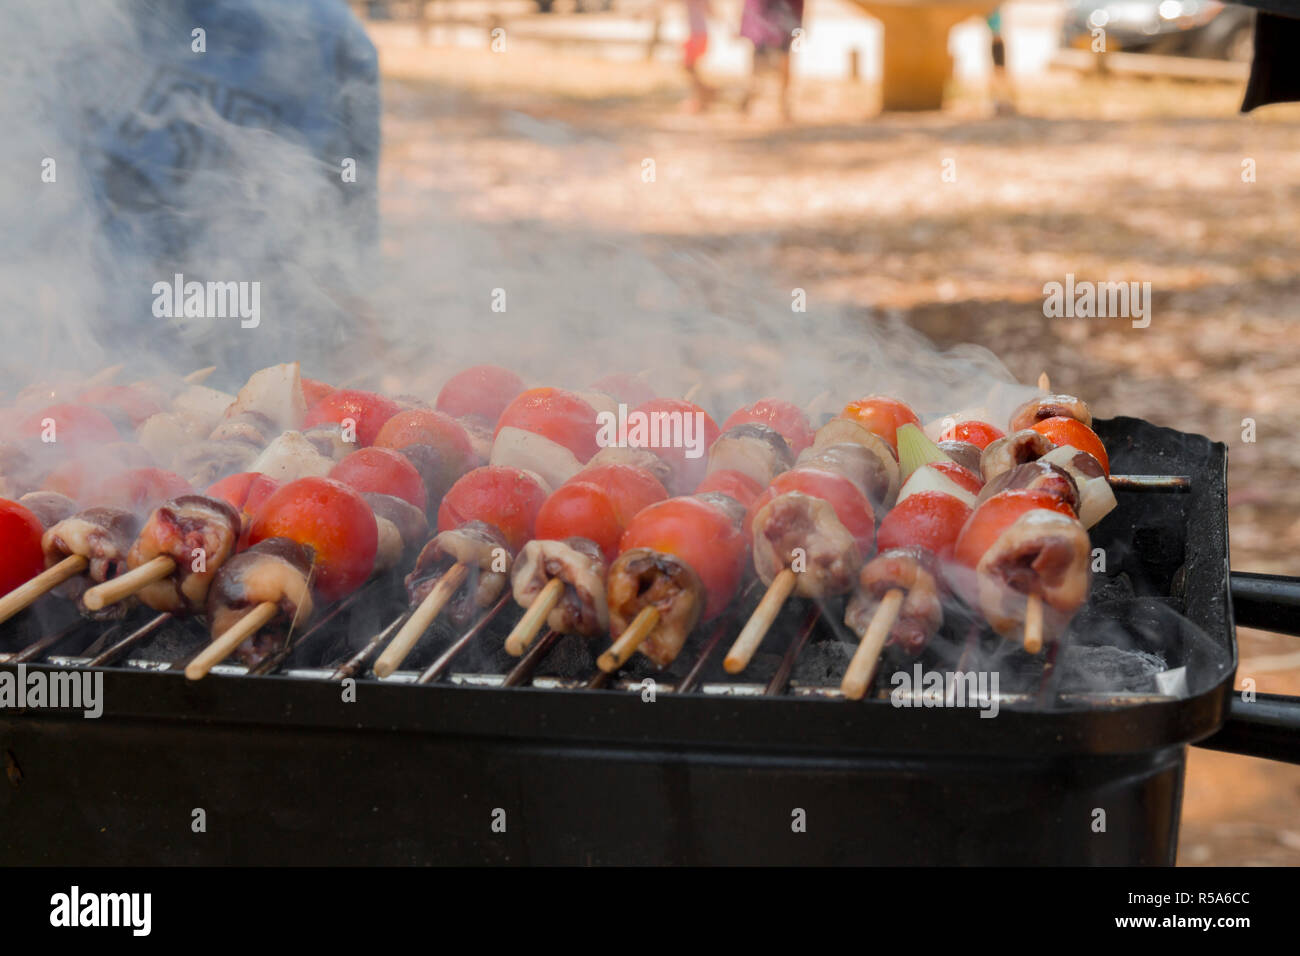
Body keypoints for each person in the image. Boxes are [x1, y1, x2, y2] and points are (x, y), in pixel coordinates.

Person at [738, 0, 803, 121]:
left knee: (782, 59)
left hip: (784, 17)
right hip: (766, 18)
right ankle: (749, 100)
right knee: (760, 63)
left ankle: (783, 104)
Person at [682, 0, 715, 113]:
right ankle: (704, 95)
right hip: (696, 34)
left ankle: (705, 95)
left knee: (689, 67)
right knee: (690, 68)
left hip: (698, 34)